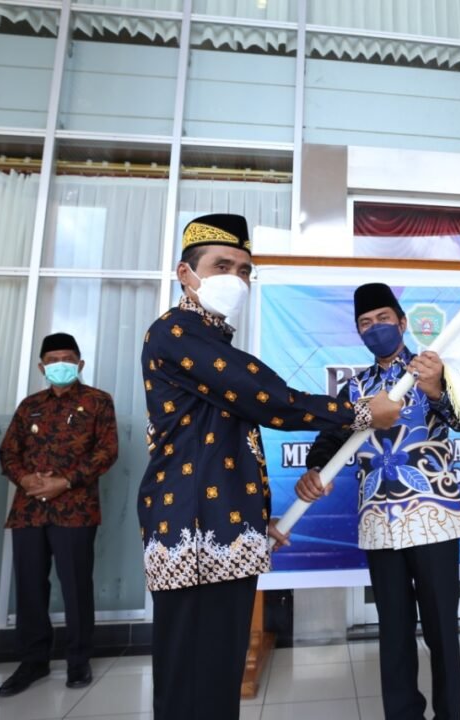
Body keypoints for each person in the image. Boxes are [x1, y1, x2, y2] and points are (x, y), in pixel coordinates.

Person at [139, 213, 402, 720]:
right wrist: (364, 411)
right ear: (185, 274)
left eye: (242, 269)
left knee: (216, 674)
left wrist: (252, 517)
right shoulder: (176, 332)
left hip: (221, 523)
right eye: (221, 265)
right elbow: (270, 399)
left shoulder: (214, 343)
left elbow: (220, 444)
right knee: (191, 676)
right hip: (191, 531)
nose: (234, 279)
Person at [296, 283, 460, 720]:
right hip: (379, 522)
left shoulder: (432, 370)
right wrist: (315, 469)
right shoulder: (354, 388)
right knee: (393, 632)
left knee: (441, 631)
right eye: (365, 324)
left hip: (434, 516)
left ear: (402, 322)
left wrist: (436, 389)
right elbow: (330, 439)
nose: (375, 329)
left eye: (383, 320)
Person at [0, 333, 118, 696]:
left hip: (75, 511)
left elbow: (107, 452)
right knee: (30, 586)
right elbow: (8, 452)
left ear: (80, 364)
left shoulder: (98, 402)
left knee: (76, 587)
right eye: (52, 359)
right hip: (28, 510)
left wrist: (64, 482)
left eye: (67, 358)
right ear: (41, 366)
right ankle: (32, 661)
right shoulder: (29, 405)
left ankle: (78, 660)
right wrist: (26, 479)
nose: (60, 364)